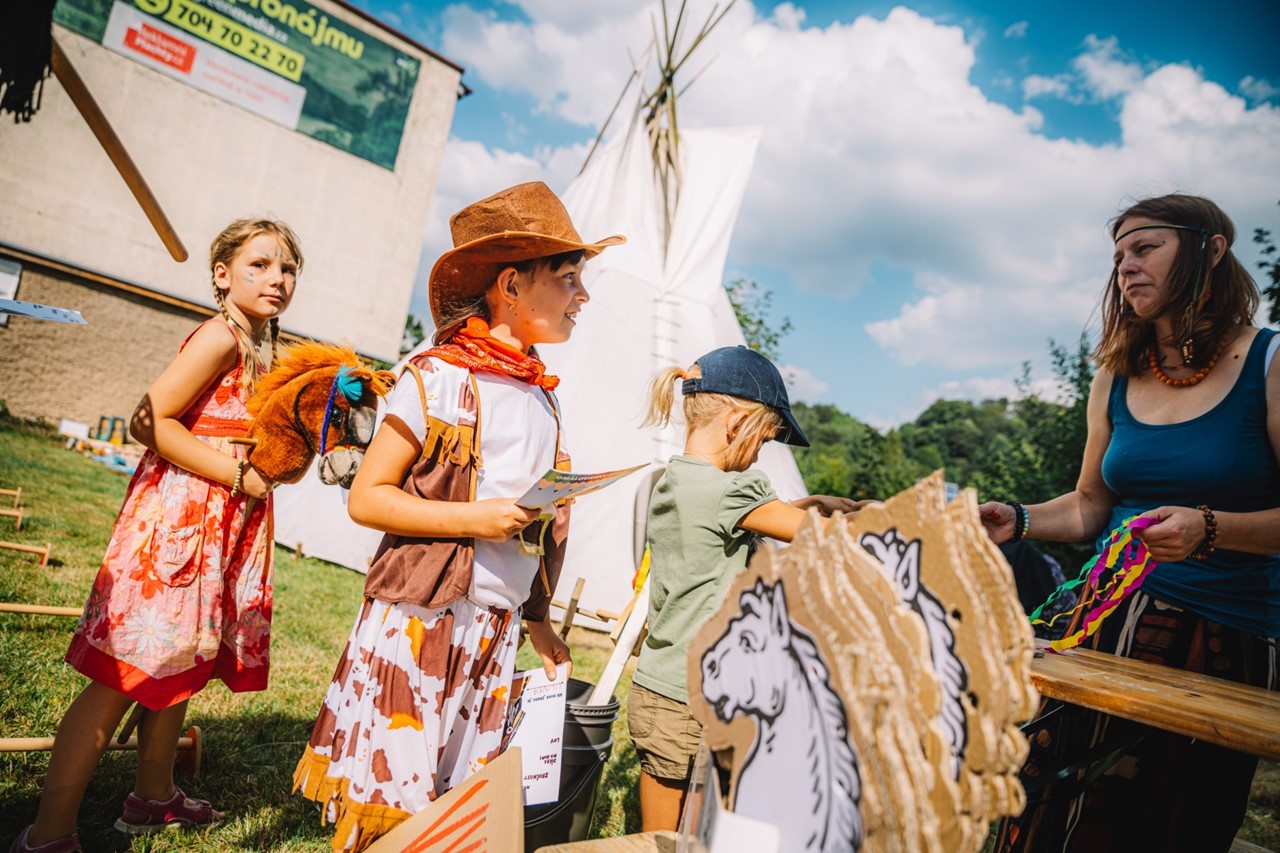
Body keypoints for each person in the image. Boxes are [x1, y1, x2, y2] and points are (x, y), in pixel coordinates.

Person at [292, 181, 624, 851]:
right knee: (394, 795)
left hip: (493, 630)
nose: (582, 296)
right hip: (422, 621)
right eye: (567, 278)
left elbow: (536, 523)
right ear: (511, 285)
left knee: (452, 803)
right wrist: (475, 517)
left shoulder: (543, 398)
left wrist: (537, 620)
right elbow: (367, 497)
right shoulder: (437, 377)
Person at [979, 194, 1280, 852]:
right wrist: (1020, 519)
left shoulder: (1270, 361)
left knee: (1164, 825)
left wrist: (1211, 528)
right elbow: (1090, 503)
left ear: (1211, 250)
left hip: (1219, 641)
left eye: (1145, 248)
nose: (1125, 268)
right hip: (1100, 619)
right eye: (1118, 257)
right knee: (1044, 810)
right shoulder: (1114, 376)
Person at [10, 219, 302, 853]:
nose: (277, 278)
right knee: (124, 674)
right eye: (259, 265)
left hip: (218, 524)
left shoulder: (259, 346)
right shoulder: (221, 336)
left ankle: (152, 797)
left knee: (180, 659)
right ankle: (47, 834)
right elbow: (149, 421)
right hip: (181, 525)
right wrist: (237, 475)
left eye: (287, 269)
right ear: (222, 274)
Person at [627, 345, 871, 831]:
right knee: (685, 829)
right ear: (736, 422)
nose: (760, 452)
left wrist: (812, 502)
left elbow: (727, 522)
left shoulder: (678, 480)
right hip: (692, 694)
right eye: (764, 439)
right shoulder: (734, 491)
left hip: (662, 685)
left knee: (667, 819)